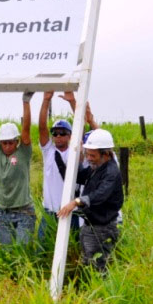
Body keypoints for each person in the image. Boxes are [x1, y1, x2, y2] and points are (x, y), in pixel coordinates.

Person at [37, 90, 99, 251]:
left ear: (70, 135)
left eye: (63, 133)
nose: (58, 136)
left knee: (72, 250)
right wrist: (45, 100)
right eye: (55, 133)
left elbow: (82, 128)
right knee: (42, 249)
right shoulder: (49, 151)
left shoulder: (76, 152)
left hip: (71, 212)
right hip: (50, 211)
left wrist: (73, 102)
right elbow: (42, 128)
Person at [57, 128, 123, 273]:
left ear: (105, 154)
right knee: (88, 264)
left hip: (102, 229)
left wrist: (76, 201)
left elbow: (100, 194)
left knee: (98, 267)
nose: (89, 158)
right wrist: (73, 160)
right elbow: (80, 176)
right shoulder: (97, 167)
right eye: (87, 154)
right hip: (90, 226)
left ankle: (100, 294)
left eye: (92, 155)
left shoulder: (111, 172)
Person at [0, 90, 36, 247]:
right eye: (4, 142)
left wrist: (26, 101)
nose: (7, 146)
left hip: (24, 212)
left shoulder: (23, 152)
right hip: (3, 213)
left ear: (16, 142)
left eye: (11, 142)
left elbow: (26, 129)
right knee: (6, 253)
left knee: (22, 253)